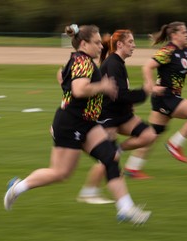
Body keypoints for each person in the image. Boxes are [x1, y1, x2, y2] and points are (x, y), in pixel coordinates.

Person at [3, 24, 151, 224]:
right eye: (97, 42)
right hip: (71, 124)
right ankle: (18, 187)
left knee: (111, 157)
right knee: (60, 173)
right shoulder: (83, 61)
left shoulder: (80, 60)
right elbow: (79, 90)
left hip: (86, 123)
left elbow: (65, 83)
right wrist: (103, 86)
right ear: (84, 43)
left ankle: (126, 208)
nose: (101, 46)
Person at [76, 30, 157, 204]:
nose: (134, 45)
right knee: (109, 158)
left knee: (148, 135)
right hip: (108, 116)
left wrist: (132, 104)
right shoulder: (112, 64)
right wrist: (144, 92)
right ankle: (89, 191)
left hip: (122, 115)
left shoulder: (118, 62)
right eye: (131, 41)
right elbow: (119, 95)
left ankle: (118, 150)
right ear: (120, 44)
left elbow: (121, 94)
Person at [127, 21, 187, 166]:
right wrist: (152, 87)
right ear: (174, 35)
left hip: (169, 98)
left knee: (153, 134)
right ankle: (174, 144)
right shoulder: (168, 51)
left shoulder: (186, 51)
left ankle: (131, 168)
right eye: (184, 32)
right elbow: (147, 67)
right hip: (165, 97)